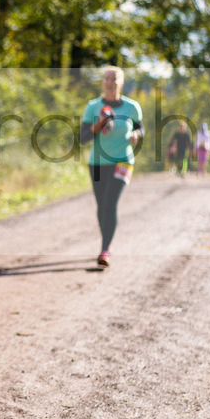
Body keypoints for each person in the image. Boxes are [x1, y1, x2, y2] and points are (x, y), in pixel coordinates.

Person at [79, 66, 144, 268]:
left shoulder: (132, 107)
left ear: (121, 83)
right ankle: (106, 241)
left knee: (110, 203)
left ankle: (105, 249)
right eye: (107, 78)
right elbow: (82, 138)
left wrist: (136, 135)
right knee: (101, 206)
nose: (110, 82)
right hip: (97, 162)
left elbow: (140, 128)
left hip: (123, 160)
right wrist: (98, 125)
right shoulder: (92, 107)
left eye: (114, 78)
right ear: (103, 82)